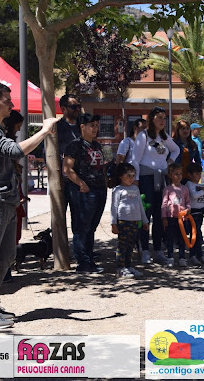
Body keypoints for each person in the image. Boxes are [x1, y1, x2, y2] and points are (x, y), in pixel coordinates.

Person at [0, 82, 58, 330]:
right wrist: (44, 130)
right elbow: (14, 150)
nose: (11, 104)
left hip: (5, 201)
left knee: (6, 257)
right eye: (7, 100)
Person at [131, 106, 180, 264]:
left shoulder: (164, 137)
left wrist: (169, 162)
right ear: (151, 119)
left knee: (160, 214)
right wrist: (136, 179)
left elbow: (176, 150)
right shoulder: (143, 136)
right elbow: (135, 159)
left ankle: (158, 250)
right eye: (159, 117)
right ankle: (144, 249)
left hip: (161, 179)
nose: (162, 121)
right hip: (146, 178)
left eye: (164, 118)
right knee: (146, 213)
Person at [63, 113, 107, 274]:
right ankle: (83, 262)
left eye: (96, 125)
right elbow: (67, 169)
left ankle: (89, 259)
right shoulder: (75, 145)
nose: (95, 129)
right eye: (92, 125)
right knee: (82, 227)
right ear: (82, 127)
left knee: (92, 227)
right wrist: (81, 184)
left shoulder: (97, 145)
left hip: (100, 189)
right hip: (83, 191)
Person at [111, 163, 149, 279]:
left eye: (133, 176)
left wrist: (145, 221)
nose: (131, 178)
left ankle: (128, 266)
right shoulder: (117, 190)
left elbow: (140, 206)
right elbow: (114, 207)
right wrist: (113, 223)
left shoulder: (135, 188)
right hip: (123, 221)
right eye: (128, 176)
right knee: (123, 245)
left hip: (135, 221)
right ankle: (120, 268)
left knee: (131, 245)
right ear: (121, 176)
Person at [1, 110, 26, 282]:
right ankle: (4, 271)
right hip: (7, 191)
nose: (18, 131)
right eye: (17, 127)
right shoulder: (3, 141)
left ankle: (8, 267)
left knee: (13, 232)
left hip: (15, 188)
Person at [161, 163, 191, 267]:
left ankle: (182, 257)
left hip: (182, 218)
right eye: (176, 174)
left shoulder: (185, 189)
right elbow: (164, 204)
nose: (179, 176)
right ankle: (170, 257)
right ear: (170, 175)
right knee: (170, 238)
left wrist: (188, 210)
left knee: (182, 238)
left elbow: (187, 202)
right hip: (171, 218)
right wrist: (164, 217)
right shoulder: (167, 189)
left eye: (180, 174)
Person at [184, 163, 204, 266]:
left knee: (198, 235)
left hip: (200, 213)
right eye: (197, 174)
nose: (199, 176)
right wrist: (203, 191)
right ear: (190, 175)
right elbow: (194, 195)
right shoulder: (189, 185)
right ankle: (193, 255)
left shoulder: (199, 186)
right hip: (193, 213)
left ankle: (199, 255)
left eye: (200, 174)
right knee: (195, 235)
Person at [57, 94, 82, 210]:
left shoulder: (82, 126)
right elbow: (48, 152)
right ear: (63, 109)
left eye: (78, 106)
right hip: (64, 178)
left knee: (79, 213)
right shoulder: (57, 127)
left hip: (81, 176)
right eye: (73, 107)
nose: (77, 109)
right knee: (61, 210)